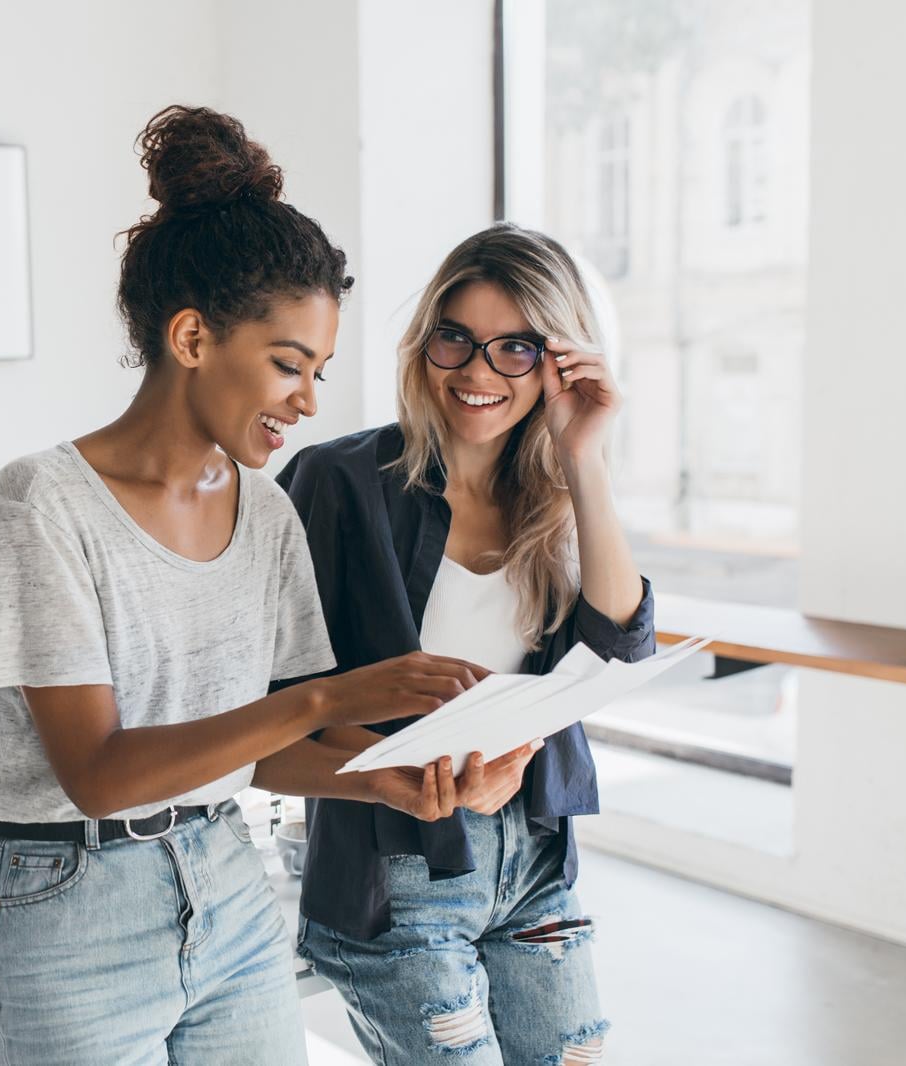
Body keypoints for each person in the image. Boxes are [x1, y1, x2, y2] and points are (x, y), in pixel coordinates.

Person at [0, 105, 491, 1066]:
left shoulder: (268, 513)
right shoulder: (43, 504)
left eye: (320, 370)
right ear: (194, 338)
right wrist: (336, 698)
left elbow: (256, 757)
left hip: (227, 881)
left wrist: (395, 784)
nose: (310, 400)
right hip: (65, 907)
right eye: (290, 364)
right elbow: (100, 774)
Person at [264, 223, 655, 1065]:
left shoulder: (556, 501)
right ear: (425, 343)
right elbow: (278, 703)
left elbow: (617, 652)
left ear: (558, 365)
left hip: (536, 865)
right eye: (457, 339)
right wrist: (399, 773)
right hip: (397, 870)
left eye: (516, 349)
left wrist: (585, 458)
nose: (477, 372)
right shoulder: (337, 482)